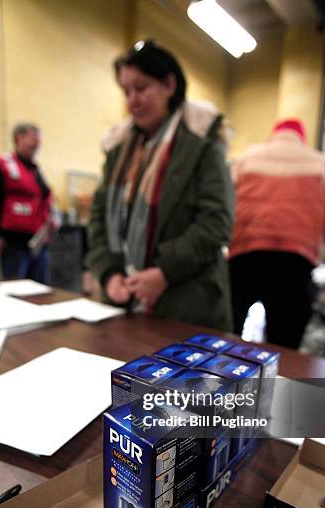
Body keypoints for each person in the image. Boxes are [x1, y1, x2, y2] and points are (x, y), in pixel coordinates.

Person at [87, 40, 233, 330]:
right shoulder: (119, 149)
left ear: (169, 84)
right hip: (125, 301)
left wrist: (164, 272)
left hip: (187, 306)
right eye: (126, 92)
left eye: (141, 88)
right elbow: (98, 217)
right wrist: (109, 274)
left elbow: (216, 222)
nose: (132, 100)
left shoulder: (201, 141)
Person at [229, 118, 325, 349]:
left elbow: (225, 206)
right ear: (301, 138)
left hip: (245, 256)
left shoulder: (246, 158)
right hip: (295, 263)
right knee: (284, 347)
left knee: (227, 338)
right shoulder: (322, 163)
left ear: (274, 135)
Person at [0, 123, 53, 283]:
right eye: (33, 139)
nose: (37, 145)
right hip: (13, 244)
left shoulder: (35, 169)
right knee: (16, 288)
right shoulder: (2, 165)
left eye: (39, 141)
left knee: (40, 290)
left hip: (38, 244)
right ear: (18, 138)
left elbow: (43, 198)